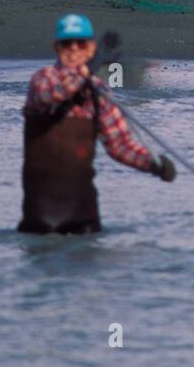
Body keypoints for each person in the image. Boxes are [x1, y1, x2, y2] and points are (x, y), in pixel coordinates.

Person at [18, 14, 175, 235]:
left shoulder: (100, 92)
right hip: (41, 216)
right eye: (66, 44)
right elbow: (51, 95)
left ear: (90, 48)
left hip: (83, 214)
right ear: (56, 47)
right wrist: (89, 72)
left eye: (80, 43)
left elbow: (120, 145)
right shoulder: (42, 79)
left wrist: (153, 164)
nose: (74, 49)